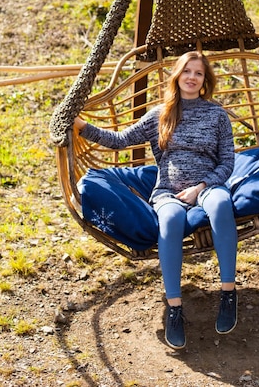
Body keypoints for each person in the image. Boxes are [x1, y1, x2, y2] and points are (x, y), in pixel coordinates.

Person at [74, 51, 238, 349]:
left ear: (205, 80)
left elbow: (228, 163)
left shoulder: (216, 115)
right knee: (171, 219)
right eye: (186, 71)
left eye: (198, 73)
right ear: (176, 75)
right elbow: (120, 140)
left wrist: (201, 187)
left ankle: (228, 294)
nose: (191, 77)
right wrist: (82, 127)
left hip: (208, 186)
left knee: (221, 204)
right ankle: (175, 308)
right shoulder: (160, 114)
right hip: (169, 192)